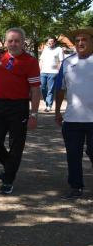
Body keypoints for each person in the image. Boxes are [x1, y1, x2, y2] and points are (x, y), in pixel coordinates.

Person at [0, 27, 41, 195]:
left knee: (16, 146)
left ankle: (8, 180)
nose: (13, 43)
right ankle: (10, 167)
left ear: (23, 42)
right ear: (6, 42)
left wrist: (34, 114)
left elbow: (35, 90)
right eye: (10, 40)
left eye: (17, 40)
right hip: (0, 105)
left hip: (19, 107)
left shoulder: (30, 62)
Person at [54, 27, 93, 200]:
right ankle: (75, 187)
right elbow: (60, 88)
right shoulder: (68, 62)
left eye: (84, 39)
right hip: (72, 119)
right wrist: (57, 111)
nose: (80, 43)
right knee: (73, 154)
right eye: (77, 40)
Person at [39, 36, 64, 112]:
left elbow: (59, 61)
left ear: (55, 42)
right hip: (43, 71)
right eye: (49, 42)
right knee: (43, 88)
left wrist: (58, 71)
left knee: (50, 89)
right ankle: (47, 102)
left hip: (53, 72)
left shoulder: (58, 49)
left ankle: (48, 106)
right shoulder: (45, 50)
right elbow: (41, 60)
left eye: (52, 41)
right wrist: (39, 70)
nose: (50, 43)